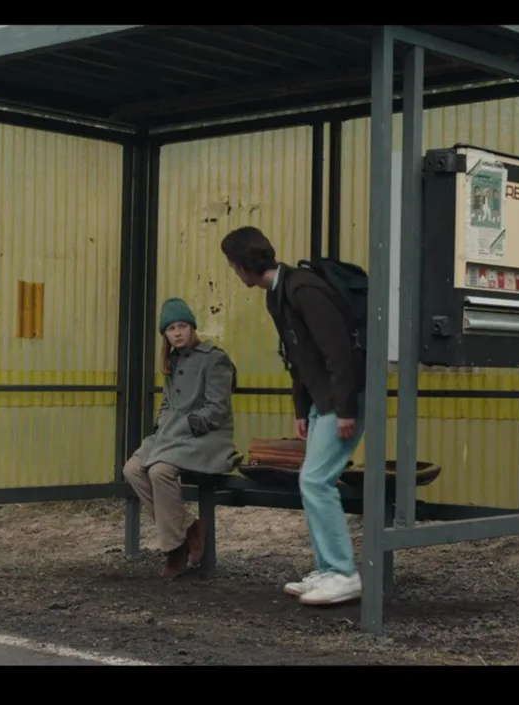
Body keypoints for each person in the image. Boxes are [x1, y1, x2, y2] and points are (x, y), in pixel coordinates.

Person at [219, 226, 367, 606]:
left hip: (343, 398)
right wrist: (302, 409)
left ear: (242, 265)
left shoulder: (303, 290)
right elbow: (299, 357)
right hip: (324, 400)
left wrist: (345, 409)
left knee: (316, 481)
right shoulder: (279, 294)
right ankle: (328, 569)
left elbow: (338, 350)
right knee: (312, 481)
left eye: (233, 266)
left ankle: (343, 573)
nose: (235, 273)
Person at [123, 297, 238, 578]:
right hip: (173, 434)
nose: (177, 333)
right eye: (171, 328)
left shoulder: (214, 358)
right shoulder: (172, 360)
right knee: (132, 469)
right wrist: (162, 424)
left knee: (160, 471)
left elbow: (217, 408)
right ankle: (188, 527)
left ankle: (175, 549)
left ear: (192, 327)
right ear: (165, 334)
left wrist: (184, 426)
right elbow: (167, 404)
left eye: (182, 326)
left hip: (206, 437)